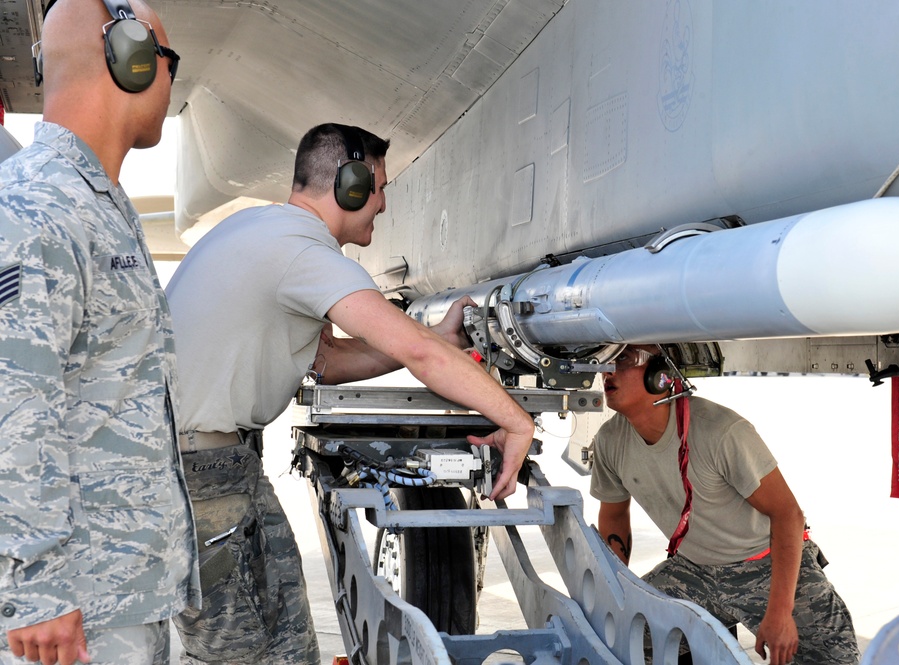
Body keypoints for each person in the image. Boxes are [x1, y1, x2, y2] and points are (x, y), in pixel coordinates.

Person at [165, 122, 536, 664]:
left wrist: (438, 336)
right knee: (236, 654)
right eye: (379, 187)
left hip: (223, 462)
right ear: (351, 184)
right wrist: (516, 420)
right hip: (200, 474)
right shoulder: (303, 253)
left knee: (289, 645)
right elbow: (421, 358)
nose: (383, 205)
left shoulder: (268, 232)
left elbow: (329, 361)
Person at [0, 1, 197, 664]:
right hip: (70, 618)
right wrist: (39, 590)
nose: (171, 85)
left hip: (117, 597)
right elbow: (11, 398)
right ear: (132, 59)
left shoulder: (95, 203)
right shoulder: (39, 205)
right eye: (168, 63)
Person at [590, 345, 859, 665]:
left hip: (765, 565)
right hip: (692, 569)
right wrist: (614, 590)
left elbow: (788, 515)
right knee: (619, 636)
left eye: (623, 360)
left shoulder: (721, 431)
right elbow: (615, 514)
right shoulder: (610, 440)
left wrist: (779, 614)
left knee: (832, 659)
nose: (607, 372)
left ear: (659, 375)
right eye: (605, 362)